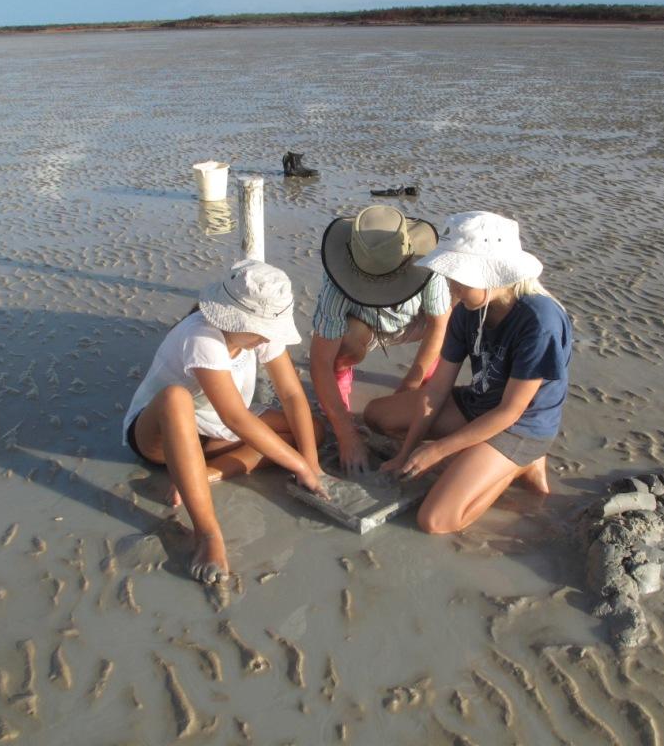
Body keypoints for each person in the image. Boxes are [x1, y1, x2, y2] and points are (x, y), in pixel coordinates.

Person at [366, 211, 572, 534]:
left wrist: (437, 451)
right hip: (479, 403)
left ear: (491, 275)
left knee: (435, 520)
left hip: (522, 425)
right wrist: (406, 453)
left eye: (457, 278)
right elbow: (436, 391)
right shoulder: (467, 311)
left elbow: (510, 411)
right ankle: (476, 460)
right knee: (376, 415)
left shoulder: (539, 321)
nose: (451, 286)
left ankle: (517, 466)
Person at [123, 260, 326, 584]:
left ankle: (204, 473)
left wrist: (311, 462)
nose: (266, 338)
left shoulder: (261, 334)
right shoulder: (202, 336)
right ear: (233, 317)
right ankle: (208, 535)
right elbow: (236, 418)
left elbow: (290, 395)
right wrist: (298, 467)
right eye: (260, 330)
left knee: (312, 432)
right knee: (177, 397)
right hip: (159, 434)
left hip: (215, 432)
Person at [310, 205, 452, 475]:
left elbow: (438, 326)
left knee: (458, 316)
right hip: (365, 326)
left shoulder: (427, 266)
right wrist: (346, 433)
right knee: (342, 345)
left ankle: (431, 390)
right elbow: (319, 360)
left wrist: (411, 382)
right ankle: (340, 388)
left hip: (415, 321)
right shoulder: (335, 281)